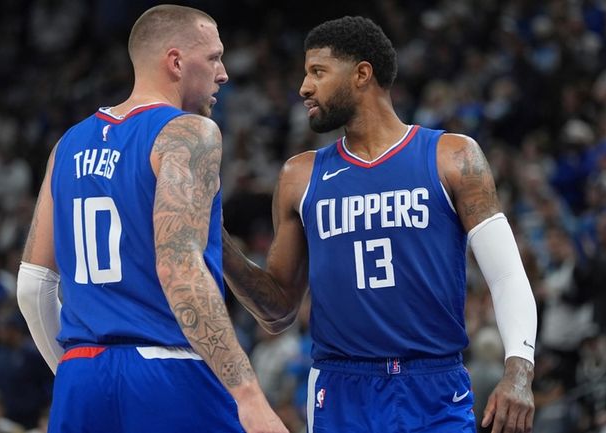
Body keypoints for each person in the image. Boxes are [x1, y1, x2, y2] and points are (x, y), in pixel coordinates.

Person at [223, 16, 537, 433]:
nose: (304, 87)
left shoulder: (453, 156)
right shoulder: (299, 176)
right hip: (340, 387)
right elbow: (278, 311)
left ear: (362, 74)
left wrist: (519, 368)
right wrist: (215, 241)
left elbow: (506, 275)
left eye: (317, 72)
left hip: (435, 385)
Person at [15, 5, 287, 433]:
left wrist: (71, 371)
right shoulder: (188, 133)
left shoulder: (67, 146)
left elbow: (33, 287)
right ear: (176, 62)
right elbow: (179, 268)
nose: (224, 74)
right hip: (169, 372)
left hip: (81, 377)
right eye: (214, 58)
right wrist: (248, 395)